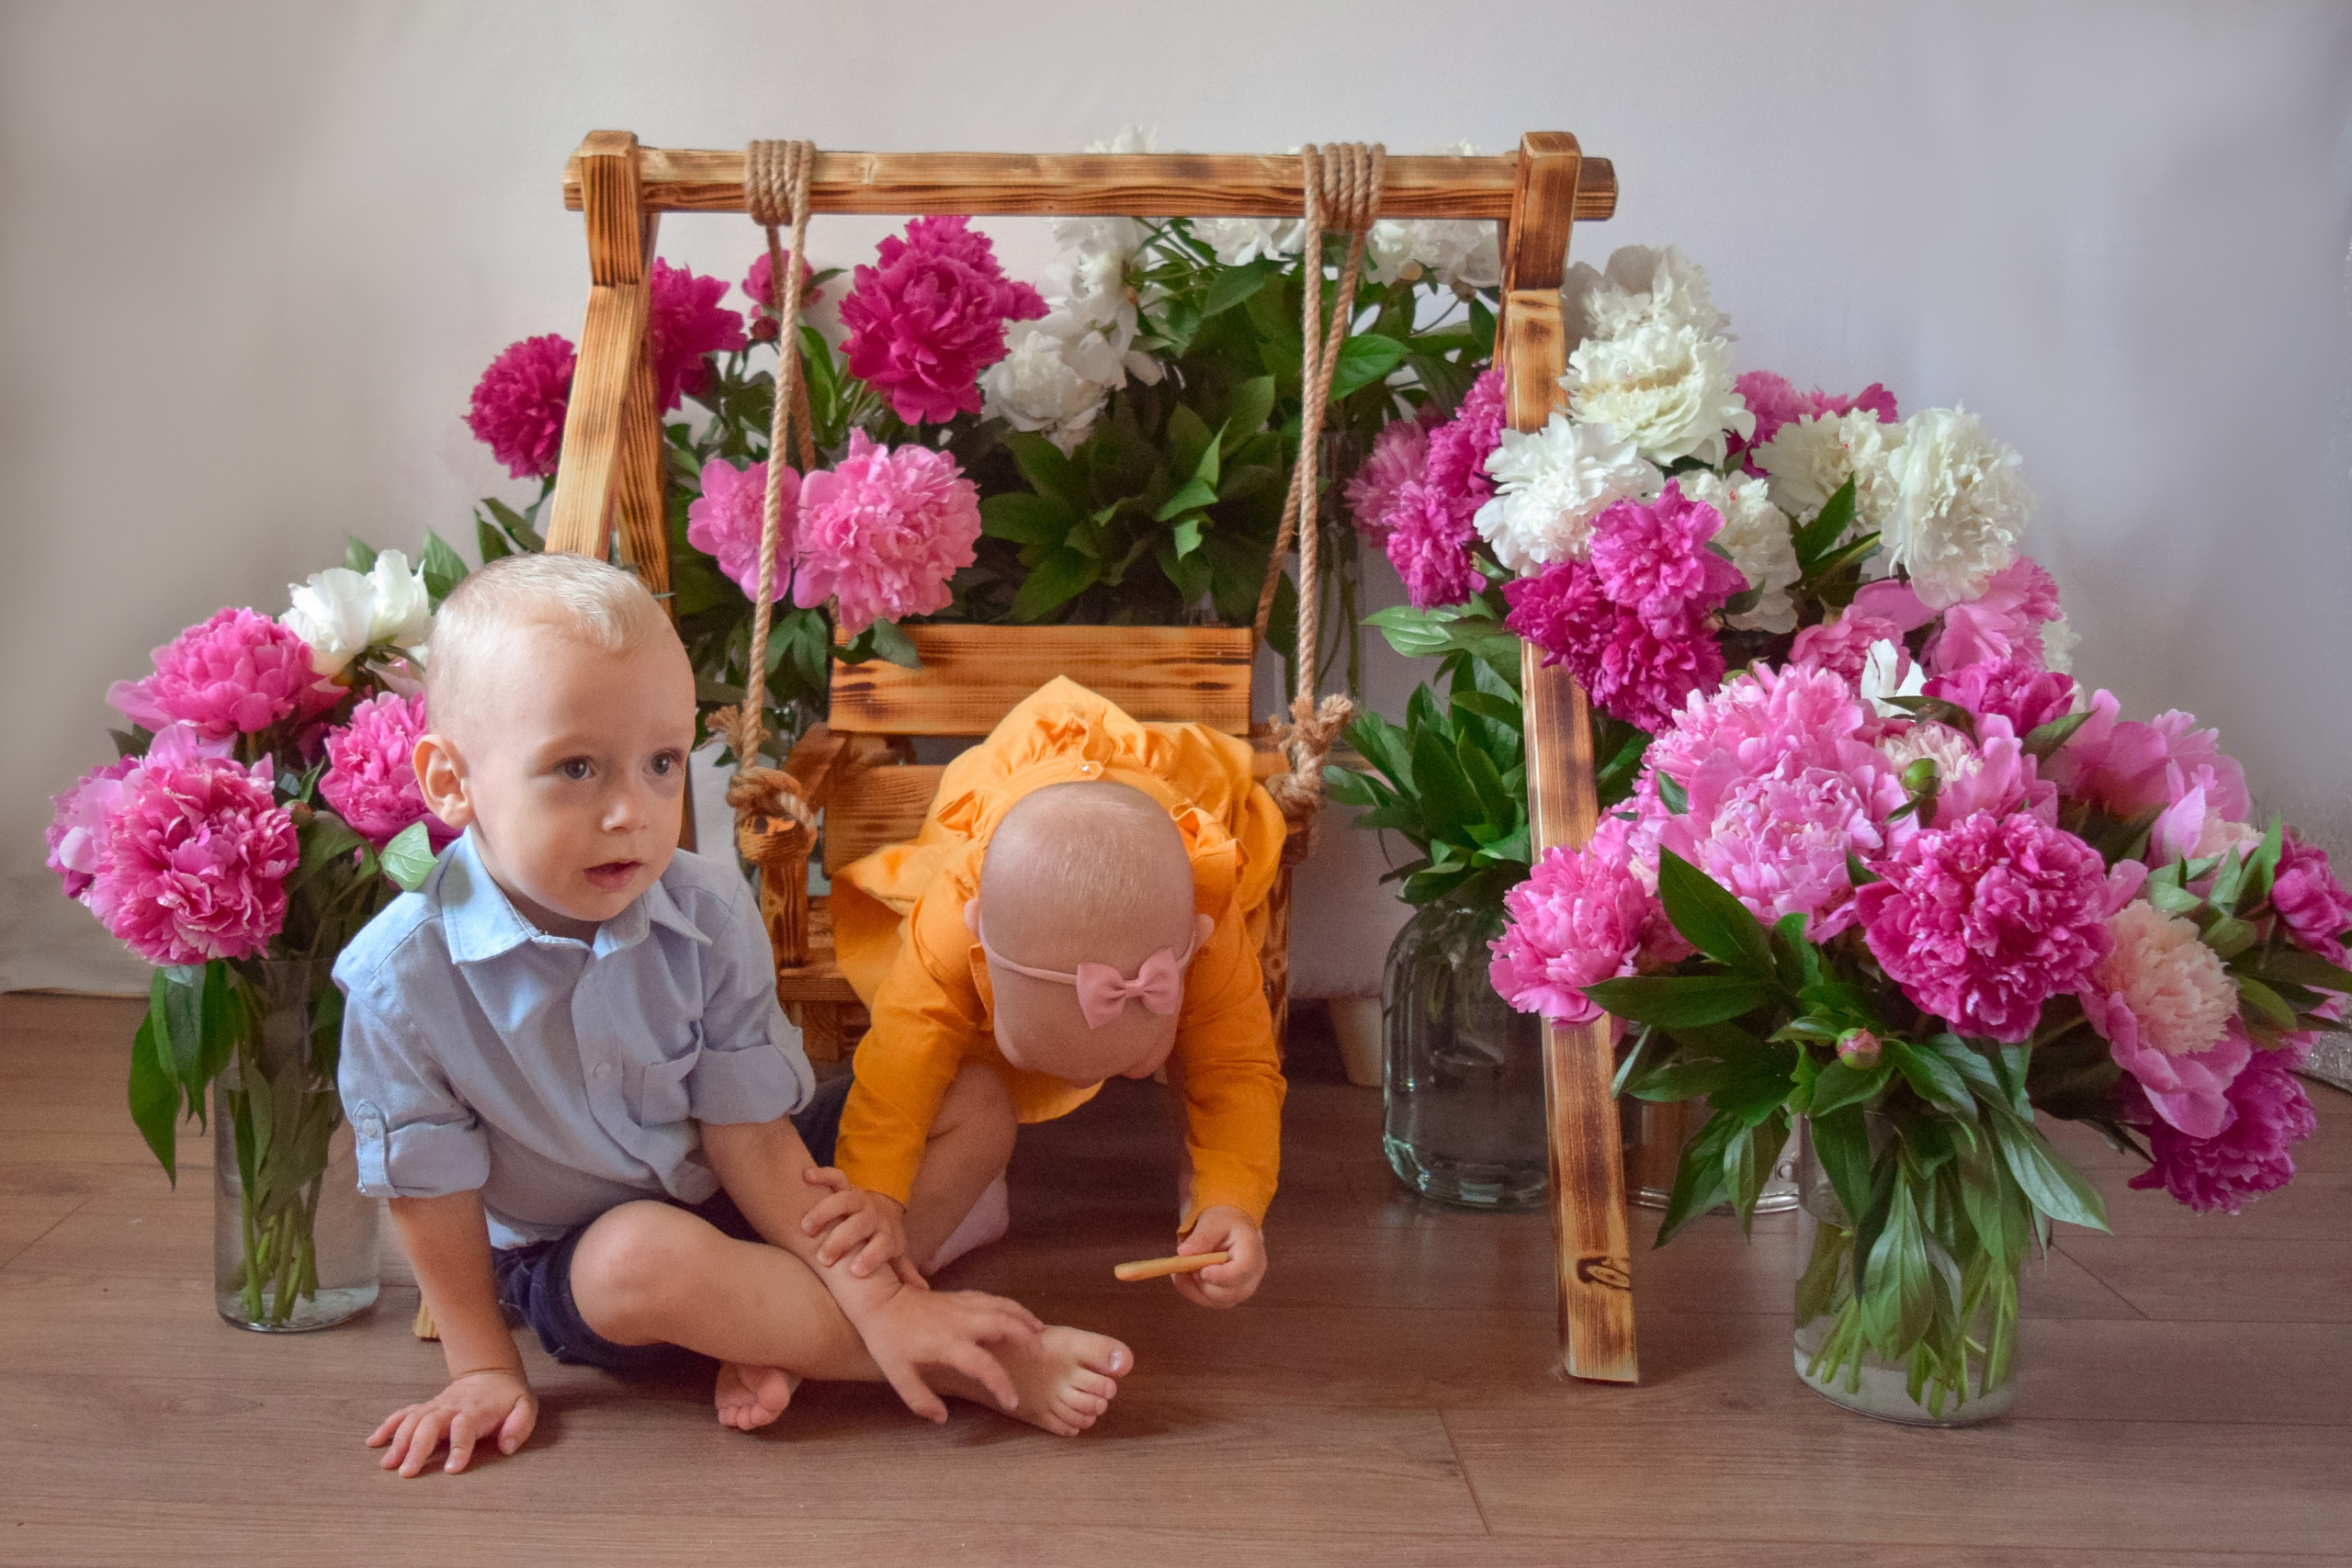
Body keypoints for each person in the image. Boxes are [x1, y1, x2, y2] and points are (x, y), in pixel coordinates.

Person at [334, 554, 1130, 1479]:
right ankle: (968, 1363)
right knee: (637, 1258)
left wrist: (870, 1291)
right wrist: (482, 1366)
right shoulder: (402, 980)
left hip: (747, 1179)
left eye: (662, 762)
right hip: (589, 1255)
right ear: (450, 782)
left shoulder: (708, 910)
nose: (631, 811)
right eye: (576, 767)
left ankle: (795, 1327)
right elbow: (429, 1195)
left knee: (971, 1096)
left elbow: (751, 1141)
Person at [821, 677, 1288, 1310]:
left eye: (1133, 1060)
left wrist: (1234, 1200)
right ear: (978, 933)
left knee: (1225, 1049)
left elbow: (1237, 1068)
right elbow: (901, 1060)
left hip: (1154, 806)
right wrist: (875, 1188)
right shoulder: (954, 914)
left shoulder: (1208, 920)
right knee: (929, 1039)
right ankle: (976, 1173)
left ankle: (1201, 1189)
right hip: (1019, 808)